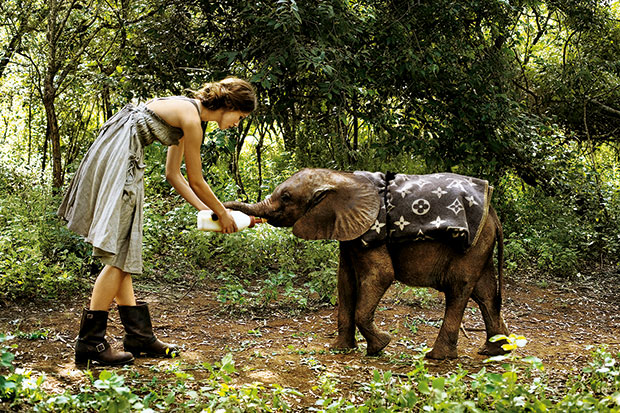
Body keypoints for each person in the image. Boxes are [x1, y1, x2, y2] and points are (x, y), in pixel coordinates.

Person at [58, 77, 257, 366]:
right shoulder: (191, 119)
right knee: (117, 257)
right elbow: (197, 180)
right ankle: (90, 342)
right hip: (121, 160)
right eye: (240, 117)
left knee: (123, 253)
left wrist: (209, 211)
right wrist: (222, 213)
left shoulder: (189, 114)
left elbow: (173, 175)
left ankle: (139, 336)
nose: (238, 123)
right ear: (228, 105)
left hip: (117, 153)